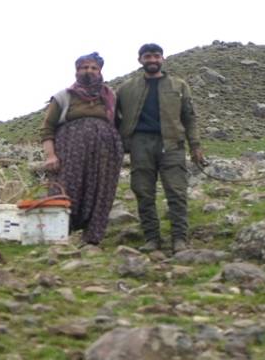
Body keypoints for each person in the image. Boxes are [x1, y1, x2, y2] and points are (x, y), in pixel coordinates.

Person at [115, 42, 205, 254]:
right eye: (148, 56)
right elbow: (113, 117)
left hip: (172, 143)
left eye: (156, 56)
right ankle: (152, 239)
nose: (152, 60)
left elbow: (190, 118)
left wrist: (196, 146)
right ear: (140, 60)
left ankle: (180, 239)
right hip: (140, 144)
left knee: (176, 191)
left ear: (162, 59)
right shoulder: (126, 89)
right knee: (143, 191)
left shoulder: (179, 85)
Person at [41, 52, 123, 246]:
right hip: (70, 150)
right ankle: (58, 234)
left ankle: (92, 237)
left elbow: (119, 123)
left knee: (100, 191)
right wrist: (50, 155)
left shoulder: (110, 96)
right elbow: (47, 128)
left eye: (93, 68)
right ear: (77, 71)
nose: (89, 71)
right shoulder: (64, 96)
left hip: (105, 153)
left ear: (100, 71)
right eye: (84, 67)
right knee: (66, 187)